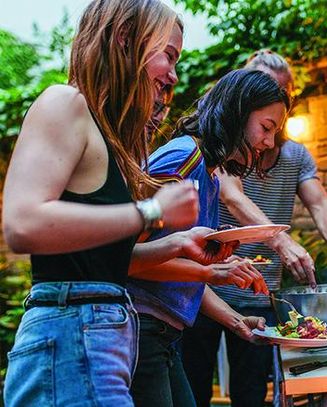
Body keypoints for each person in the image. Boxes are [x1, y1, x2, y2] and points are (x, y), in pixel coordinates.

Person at [0, 0, 225, 405]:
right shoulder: (64, 104)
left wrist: (177, 244)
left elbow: (96, 261)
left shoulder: (109, 141)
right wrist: (152, 212)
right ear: (125, 39)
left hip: (102, 340)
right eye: (169, 55)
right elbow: (22, 223)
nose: (174, 75)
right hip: (69, 338)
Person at [182, 50, 327, 407]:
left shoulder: (295, 156)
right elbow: (232, 195)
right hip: (206, 288)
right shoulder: (228, 149)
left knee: (251, 395)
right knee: (194, 389)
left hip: (260, 294)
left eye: (281, 94)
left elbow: (321, 203)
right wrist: (280, 240)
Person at [127, 68, 291, 406]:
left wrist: (235, 320)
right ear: (237, 112)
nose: (269, 142)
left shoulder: (210, 176)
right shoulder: (182, 157)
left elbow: (175, 265)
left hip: (164, 334)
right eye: (266, 128)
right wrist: (211, 272)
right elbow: (129, 258)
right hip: (140, 329)